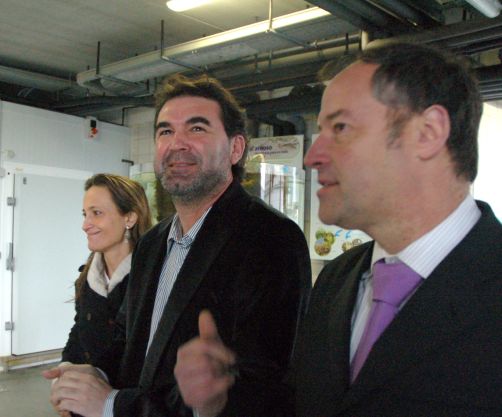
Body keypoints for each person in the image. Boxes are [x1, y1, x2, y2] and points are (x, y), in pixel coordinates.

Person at [173, 42, 502, 417]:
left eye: (341, 128)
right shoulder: (337, 281)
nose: (313, 156)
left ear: (427, 132)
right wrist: (218, 401)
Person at [44, 73, 311, 417]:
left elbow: (259, 387)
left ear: (235, 148)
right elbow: (128, 337)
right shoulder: (152, 243)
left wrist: (111, 404)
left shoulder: (271, 238)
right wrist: (92, 375)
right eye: (166, 131)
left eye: (197, 128)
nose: (177, 143)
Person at [61, 173, 151, 366]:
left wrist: (99, 378)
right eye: (85, 214)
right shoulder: (87, 278)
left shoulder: (151, 279)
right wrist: (66, 368)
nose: (85, 225)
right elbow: (80, 331)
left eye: (97, 213)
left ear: (129, 218)